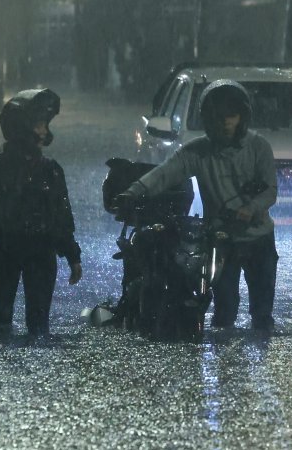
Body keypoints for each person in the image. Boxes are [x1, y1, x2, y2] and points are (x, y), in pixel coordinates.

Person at [117, 80, 279, 331]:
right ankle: (224, 364)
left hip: (259, 238)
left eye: (232, 116)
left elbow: (270, 190)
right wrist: (132, 192)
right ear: (208, 119)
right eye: (219, 117)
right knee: (224, 311)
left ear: (242, 117)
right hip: (221, 240)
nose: (226, 123)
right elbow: (164, 173)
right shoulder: (197, 152)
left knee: (262, 313)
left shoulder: (259, 148)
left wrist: (251, 209)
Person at [0, 88, 83, 340]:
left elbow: (61, 217)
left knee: (39, 328)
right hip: (4, 251)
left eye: (44, 125)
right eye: (38, 125)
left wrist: (72, 255)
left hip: (39, 253)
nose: (43, 132)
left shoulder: (51, 171)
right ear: (21, 128)